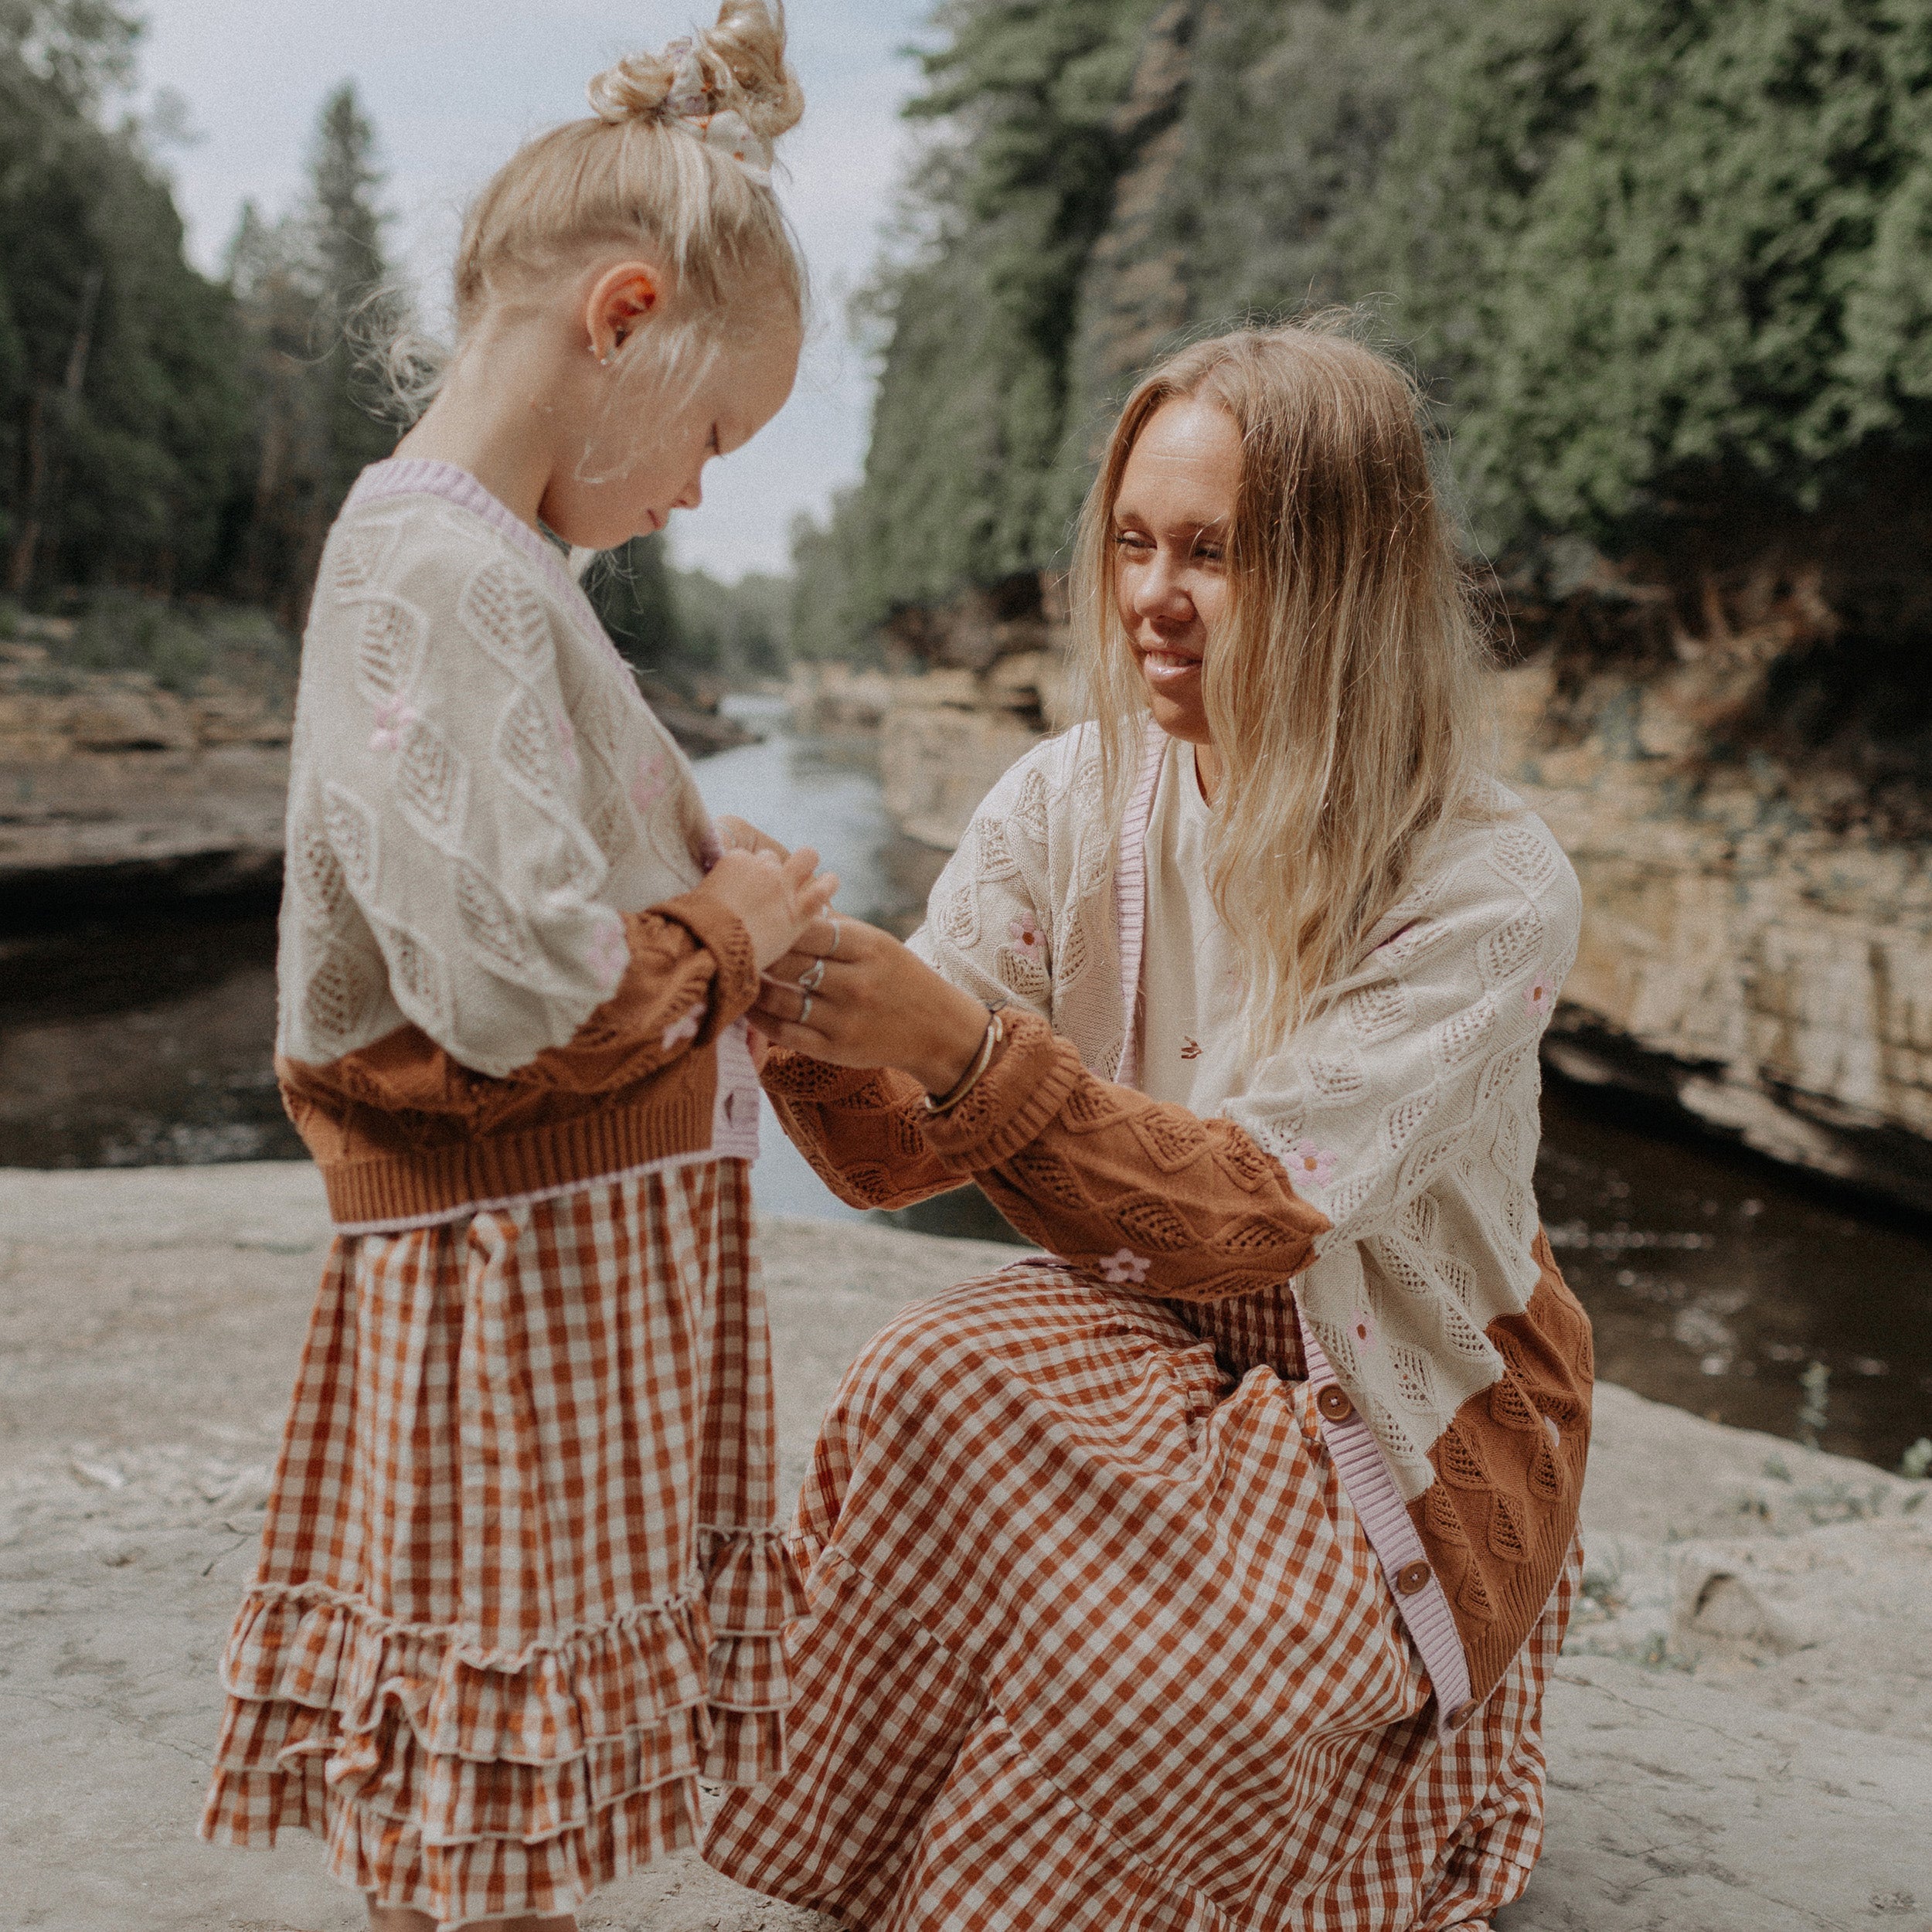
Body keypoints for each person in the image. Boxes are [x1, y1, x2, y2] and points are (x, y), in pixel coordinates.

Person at [707, 321, 1593, 1930]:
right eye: (1130, 542)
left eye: (1211, 553)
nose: (1149, 598)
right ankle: (914, 1834)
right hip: (1163, 1328)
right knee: (921, 1375)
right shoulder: (1065, 797)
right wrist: (793, 986)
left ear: (1344, 576)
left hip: (1396, 1401)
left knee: (1150, 1687)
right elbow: (898, 1150)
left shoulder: (1487, 878)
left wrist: (957, 1034)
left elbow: (1250, 1213)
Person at [199, 9, 826, 1927]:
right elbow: (525, 983)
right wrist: (737, 928)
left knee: (508, 1770)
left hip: (573, 1224)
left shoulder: (491, 565)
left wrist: (713, 860)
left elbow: (576, 828)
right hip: (508, 1247)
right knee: (469, 1761)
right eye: (716, 435)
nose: (701, 491)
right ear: (621, 316)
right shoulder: (438, 570)